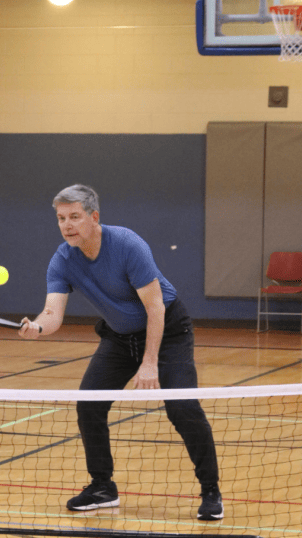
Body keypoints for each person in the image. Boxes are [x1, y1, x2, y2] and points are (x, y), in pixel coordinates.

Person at [18, 184, 222, 520]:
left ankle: (211, 490)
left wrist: (150, 363)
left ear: (94, 217)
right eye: (61, 218)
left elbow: (155, 308)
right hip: (119, 337)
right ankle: (102, 487)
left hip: (168, 330)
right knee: (89, 404)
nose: (67, 225)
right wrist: (37, 328)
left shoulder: (127, 245)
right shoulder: (63, 259)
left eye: (74, 217)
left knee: (182, 407)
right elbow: (52, 313)